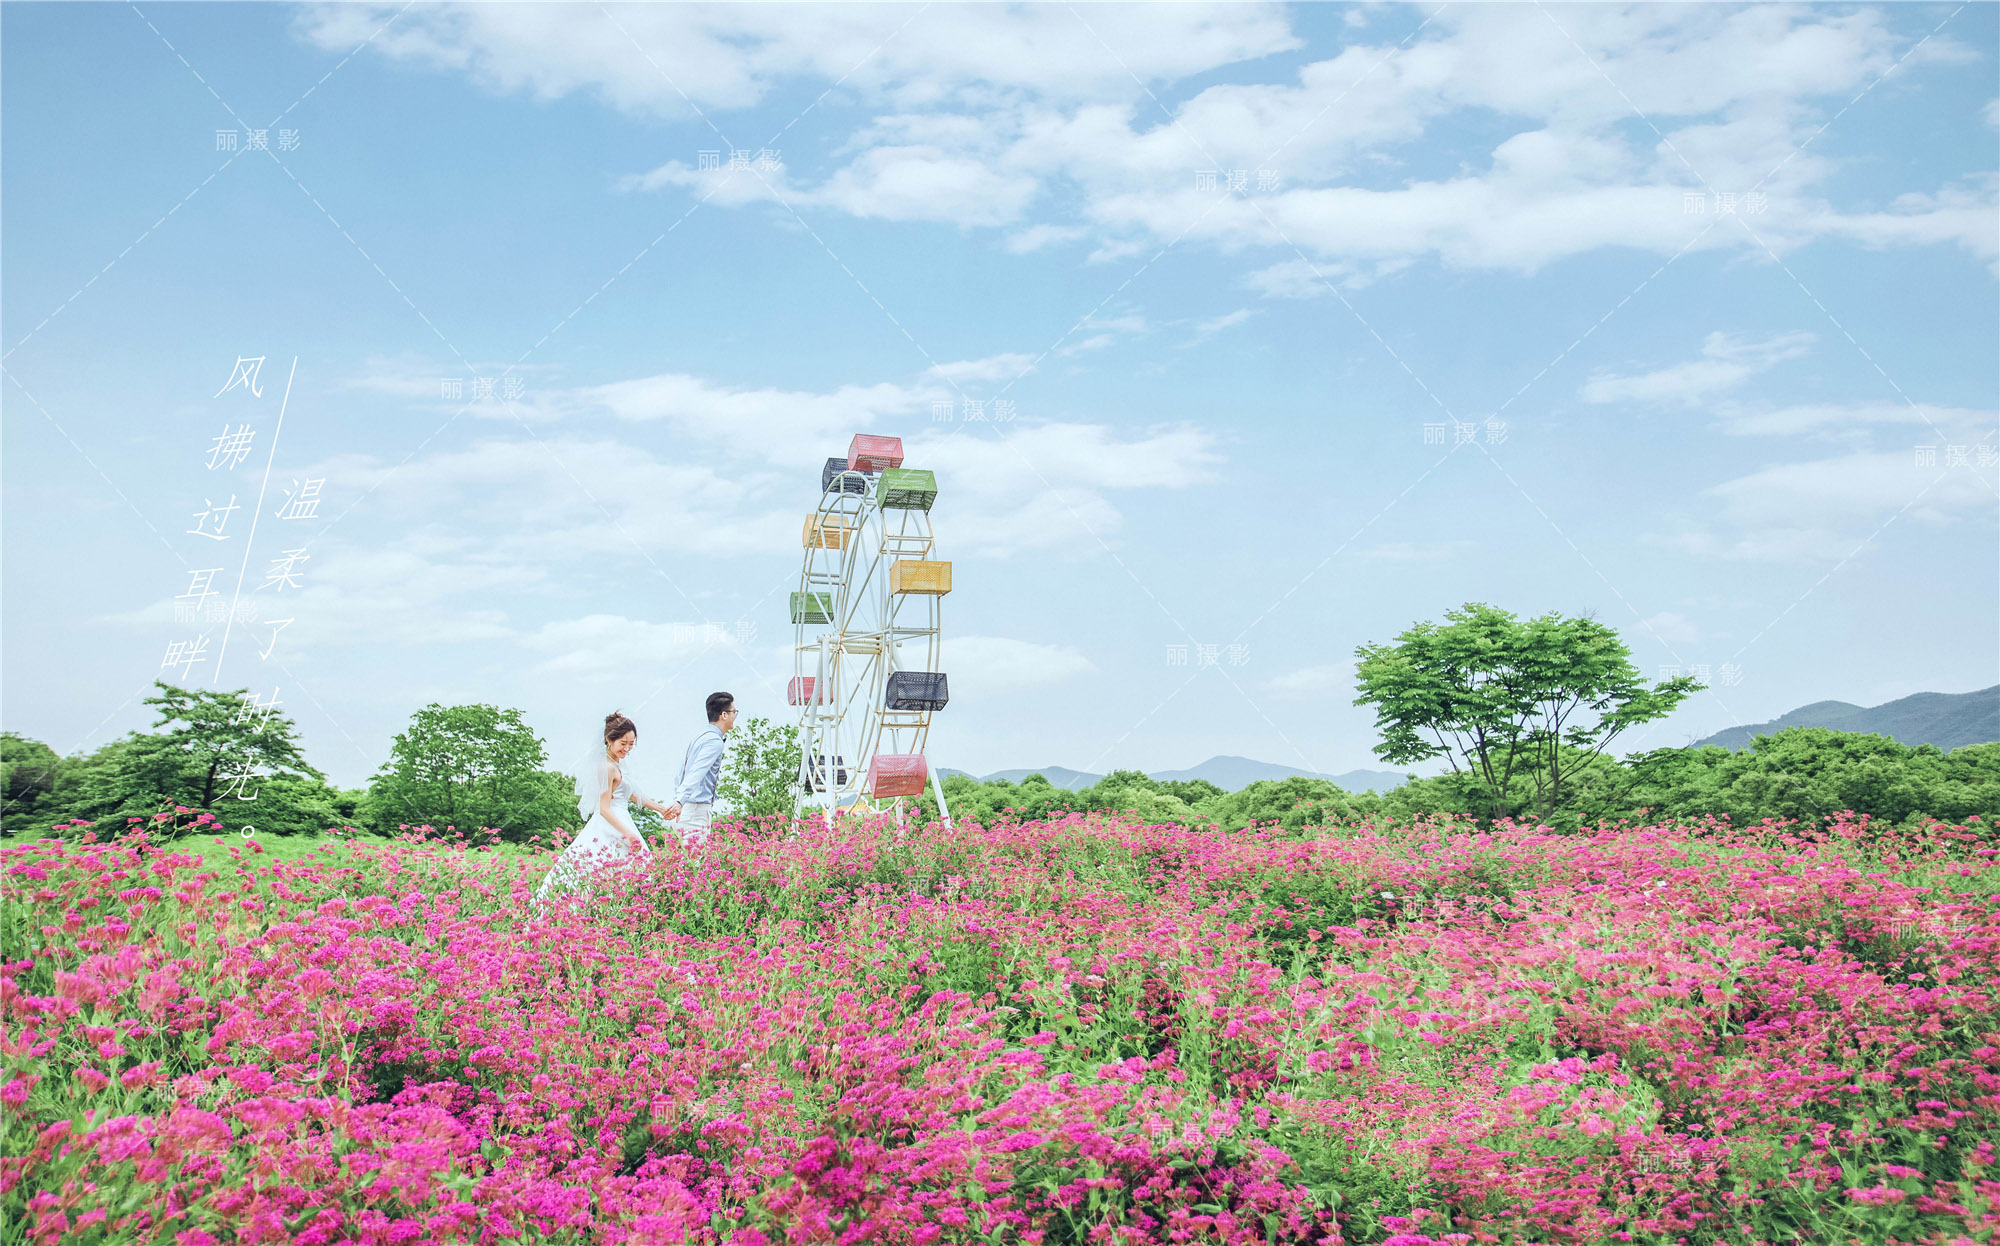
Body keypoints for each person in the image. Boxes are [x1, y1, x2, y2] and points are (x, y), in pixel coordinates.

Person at [533, 710, 678, 906]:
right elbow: (604, 808)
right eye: (623, 744)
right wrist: (629, 834)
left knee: (630, 871)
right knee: (603, 870)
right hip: (610, 823)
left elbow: (630, 793)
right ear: (609, 740)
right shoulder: (606, 767)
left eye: (631, 744)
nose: (627, 749)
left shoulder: (617, 764)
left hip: (622, 818)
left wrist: (660, 809)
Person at [665, 692, 736, 850]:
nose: (735, 716)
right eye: (734, 712)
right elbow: (697, 772)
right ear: (724, 715)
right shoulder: (714, 742)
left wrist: (679, 799)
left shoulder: (700, 736)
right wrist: (679, 801)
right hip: (695, 813)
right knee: (697, 863)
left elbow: (682, 772)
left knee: (693, 862)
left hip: (686, 810)